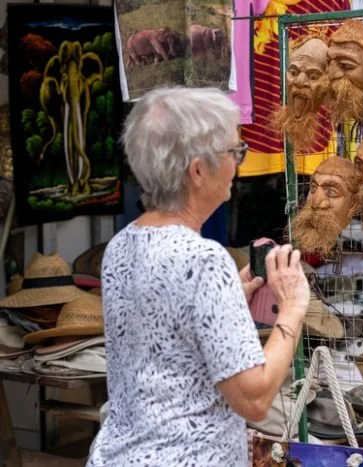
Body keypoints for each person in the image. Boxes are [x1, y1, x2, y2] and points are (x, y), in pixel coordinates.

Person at [87, 87, 311, 466]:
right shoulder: (203, 258)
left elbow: (166, 348)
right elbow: (254, 398)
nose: (238, 163)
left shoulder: (121, 245)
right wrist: (291, 310)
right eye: (233, 152)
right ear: (197, 170)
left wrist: (226, 303)